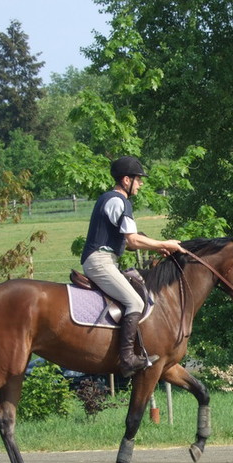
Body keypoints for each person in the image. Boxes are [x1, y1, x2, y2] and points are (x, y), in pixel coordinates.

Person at [81, 155, 184, 376]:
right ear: (126, 180)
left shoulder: (110, 199)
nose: (141, 183)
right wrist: (163, 243)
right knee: (135, 301)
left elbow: (127, 243)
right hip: (100, 262)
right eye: (138, 179)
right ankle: (127, 359)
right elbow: (133, 240)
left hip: (103, 260)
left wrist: (157, 248)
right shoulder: (119, 201)